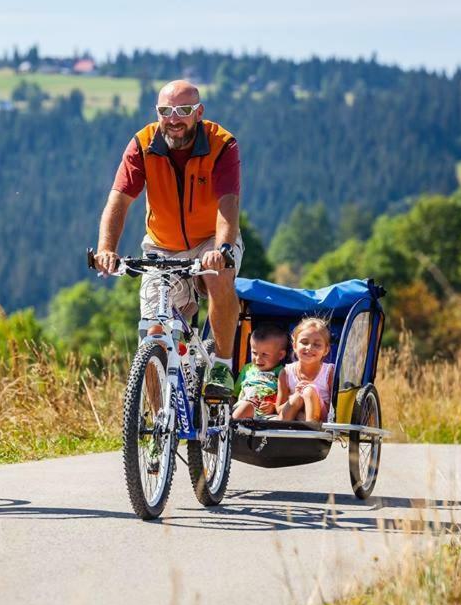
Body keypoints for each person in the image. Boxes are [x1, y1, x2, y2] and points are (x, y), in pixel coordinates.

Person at [93, 79, 242, 399]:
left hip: (210, 241)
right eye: (165, 111)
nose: (174, 119)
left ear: (198, 113)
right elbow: (118, 201)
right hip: (162, 246)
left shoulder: (222, 144)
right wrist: (107, 249)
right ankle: (159, 423)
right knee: (151, 331)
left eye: (184, 110)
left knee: (219, 277)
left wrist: (223, 248)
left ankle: (222, 365)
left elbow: (228, 203)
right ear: (157, 112)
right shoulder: (143, 143)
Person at [277, 318, 335, 422]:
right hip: (292, 415)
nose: (309, 347)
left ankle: (311, 433)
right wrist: (297, 395)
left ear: (326, 350)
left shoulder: (329, 372)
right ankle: (281, 434)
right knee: (297, 396)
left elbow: (336, 408)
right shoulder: (285, 373)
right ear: (294, 346)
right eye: (304, 342)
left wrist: (312, 392)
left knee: (308, 390)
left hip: (321, 418)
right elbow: (279, 409)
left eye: (317, 345)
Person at [232, 324, 288, 420]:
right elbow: (234, 394)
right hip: (242, 406)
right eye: (254, 353)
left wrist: (274, 406)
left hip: (265, 413)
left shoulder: (283, 372)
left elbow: (285, 398)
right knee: (246, 406)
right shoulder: (247, 368)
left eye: (264, 355)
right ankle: (233, 424)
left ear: (280, 355)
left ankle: (234, 425)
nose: (258, 359)